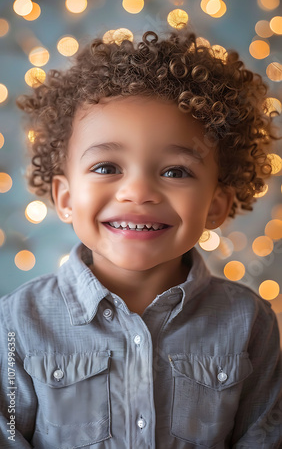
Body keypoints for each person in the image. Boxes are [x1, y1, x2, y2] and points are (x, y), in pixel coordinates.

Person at [0, 28, 281, 449]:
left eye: (175, 171)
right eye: (106, 166)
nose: (138, 192)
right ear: (65, 198)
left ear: (215, 207)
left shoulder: (250, 322)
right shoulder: (16, 322)